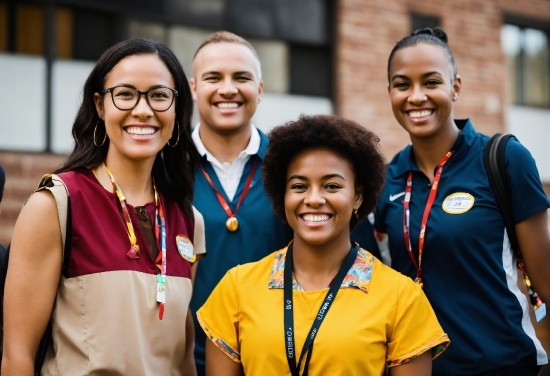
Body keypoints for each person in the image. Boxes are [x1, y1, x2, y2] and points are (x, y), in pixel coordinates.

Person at [2, 38, 202, 375]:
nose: (143, 110)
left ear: (176, 109)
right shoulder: (56, 204)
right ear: (99, 105)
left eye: (159, 95)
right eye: (125, 94)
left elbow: (181, 360)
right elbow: (17, 355)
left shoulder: (188, 219)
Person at [197, 114, 450, 376]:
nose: (314, 199)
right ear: (282, 195)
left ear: (357, 197)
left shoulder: (402, 297)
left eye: (331, 186)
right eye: (299, 186)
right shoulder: (236, 289)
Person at [375, 27, 550, 375]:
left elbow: (547, 281)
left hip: (503, 365)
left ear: (455, 86)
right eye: (402, 84)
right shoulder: (385, 179)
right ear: (390, 92)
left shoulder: (503, 159)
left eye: (431, 82)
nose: (416, 96)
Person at [188, 31, 294, 375]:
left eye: (242, 77)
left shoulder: (293, 166)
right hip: (187, 361)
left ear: (260, 90)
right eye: (213, 77)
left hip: (279, 360)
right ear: (193, 88)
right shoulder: (163, 170)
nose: (228, 89)